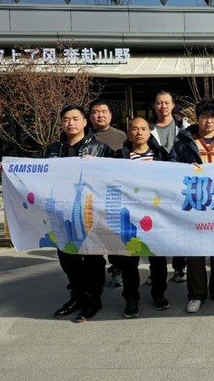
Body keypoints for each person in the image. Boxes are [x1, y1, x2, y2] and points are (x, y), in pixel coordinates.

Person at [44, 105, 113, 322]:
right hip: (61, 212)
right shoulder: (52, 149)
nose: (71, 123)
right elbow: (38, 175)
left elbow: (112, 178)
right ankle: (77, 296)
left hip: (89, 212)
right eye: (66, 119)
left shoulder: (100, 149)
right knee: (67, 257)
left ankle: (93, 300)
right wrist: (10, 170)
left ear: (85, 122)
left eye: (75, 118)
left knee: (92, 258)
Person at [169, 98, 214, 313]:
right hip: (195, 203)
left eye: (213, 117)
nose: (209, 121)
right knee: (195, 250)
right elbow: (171, 168)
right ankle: (196, 294)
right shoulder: (184, 142)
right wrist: (184, 169)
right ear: (197, 118)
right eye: (204, 117)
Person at [113, 117, 171, 318]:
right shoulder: (119, 157)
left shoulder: (161, 155)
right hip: (129, 215)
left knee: (158, 259)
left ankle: (159, 294)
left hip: (156, 215)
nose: (139, 132)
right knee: (129, 261)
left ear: (149, 132)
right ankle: (131, 298)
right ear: (129, 133)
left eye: (143, 129)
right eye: (135, 129)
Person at [150, 90, 189, 283]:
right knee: (156, 227)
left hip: (179, 183)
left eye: (166, 102)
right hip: (155, 184)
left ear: (173, 105)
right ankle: (156, 271)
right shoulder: (147, 128)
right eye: (159, 103)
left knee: (179, 226)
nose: (163, 106)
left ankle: (179, 266)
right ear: (154, 106)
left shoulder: (184, 127)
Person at [88, 99, 127, 288]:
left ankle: (116, 268)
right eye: (95, 112)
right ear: (90, 117)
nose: (100, 115)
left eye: (104, 111)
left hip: (113, 193)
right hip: (90, 194)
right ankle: (94, 273)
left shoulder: (121, 136)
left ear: (111, 115)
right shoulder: (85, 136)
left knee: (113, 234)